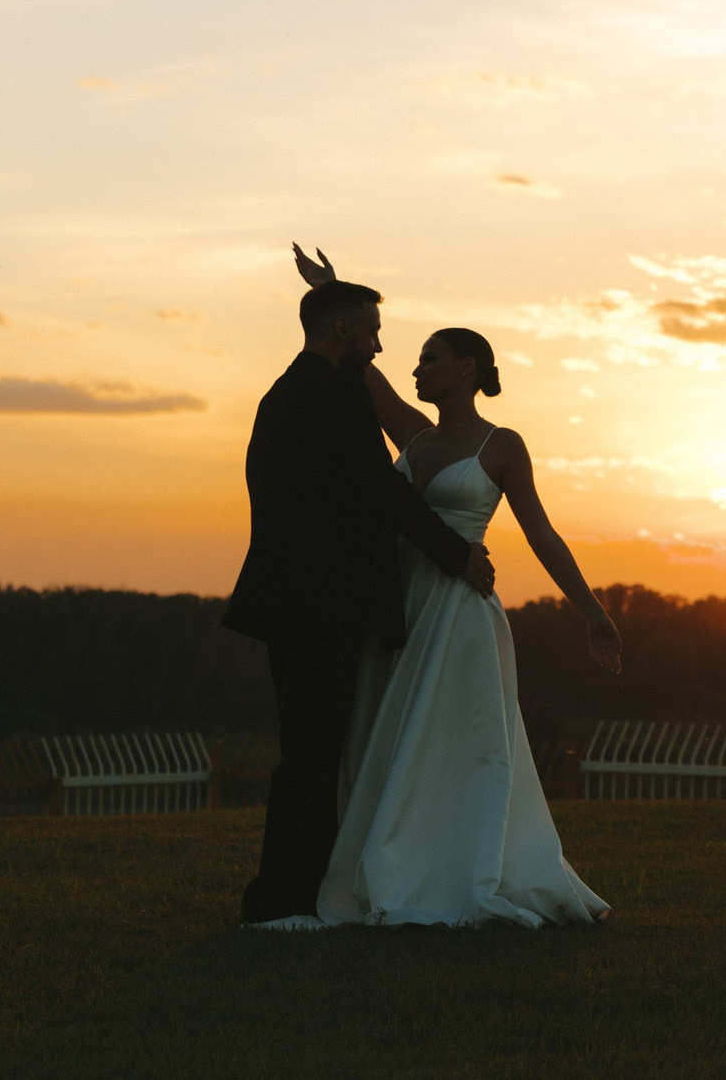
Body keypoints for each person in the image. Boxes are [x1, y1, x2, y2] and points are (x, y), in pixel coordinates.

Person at [291, 245, 620, 927]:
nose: (417, 366)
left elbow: (543, 534)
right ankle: (392, 861)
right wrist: (331, 291)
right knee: (391, 735)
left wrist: (591, 610)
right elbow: (364, 368)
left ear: (467, 366)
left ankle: (463, 867)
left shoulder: (502, 444)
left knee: (459, 743)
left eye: (431, 357)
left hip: (461, 617)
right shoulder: (412, 435)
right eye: (416, 359)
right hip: (402, 603)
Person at [223, 277, 497, 931]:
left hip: (289, 596)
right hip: (321, 602)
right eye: (371, 332)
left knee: (311, 749)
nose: (378, 346)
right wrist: (455, 553)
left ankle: (299, 891)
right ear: (342, 330)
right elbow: (381, 490)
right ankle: (283, 902)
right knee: (314, 755)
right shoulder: (331, 393)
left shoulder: (284, 391)